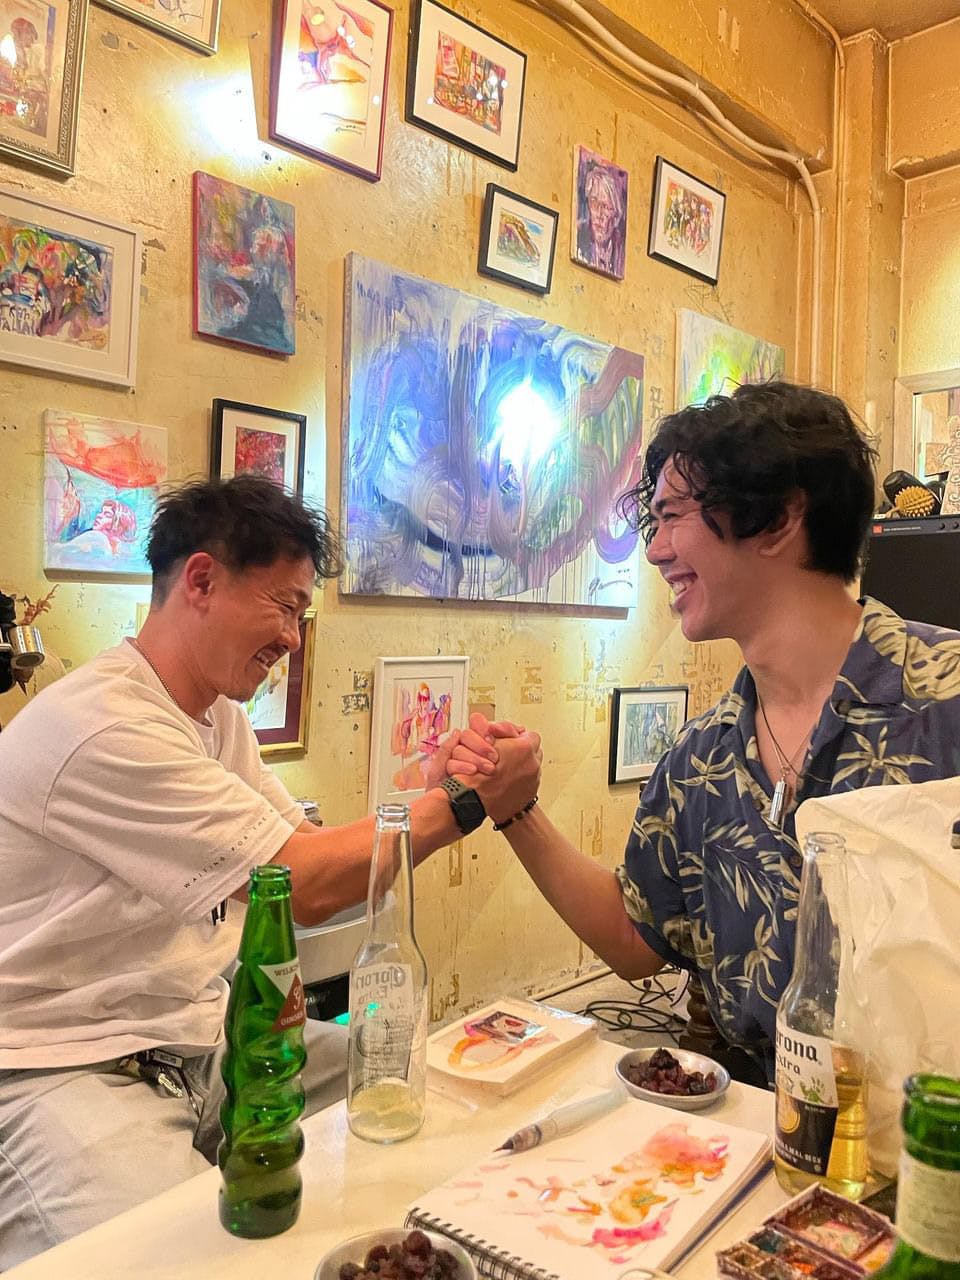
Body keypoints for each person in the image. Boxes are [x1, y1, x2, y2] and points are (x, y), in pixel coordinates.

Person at [0, 475, 538, 1267]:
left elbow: (308, 867)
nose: (292, 637)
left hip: (200, 1043)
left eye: (300, 614)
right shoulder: (102, 725)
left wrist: (431, 790)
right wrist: (466, 803)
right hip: (63, 1064)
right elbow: (307, 882)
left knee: (422, 1091)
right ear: (202, 580)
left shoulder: (215, 716)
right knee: (189, 1263)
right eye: (285, 606)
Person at [453, 381, 960, 1088]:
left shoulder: (943, 699)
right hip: (767, 1135)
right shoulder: (701, 758)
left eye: (671, 516)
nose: (654, 551)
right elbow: (637, 939)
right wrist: (515, 810)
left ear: (778, 518)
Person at [576, 161, 625, 277]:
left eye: (606, 206)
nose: (599, 214)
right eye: (594, 202)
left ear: (616, 215)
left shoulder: (621, 249)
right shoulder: (580, 235)